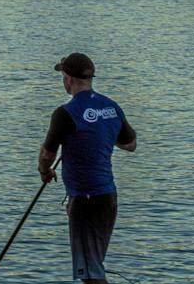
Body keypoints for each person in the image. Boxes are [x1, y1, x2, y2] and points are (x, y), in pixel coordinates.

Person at [39, 52, 137, 284]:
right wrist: (98, 132)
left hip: (86, 198)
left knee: (91, 274)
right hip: (108, 197)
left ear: (68, 78)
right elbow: (130, 144)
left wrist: (45, 172)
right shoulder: (110, 107)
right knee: (94, 265)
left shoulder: (64, 113)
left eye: (62, 76)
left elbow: (46, 154)